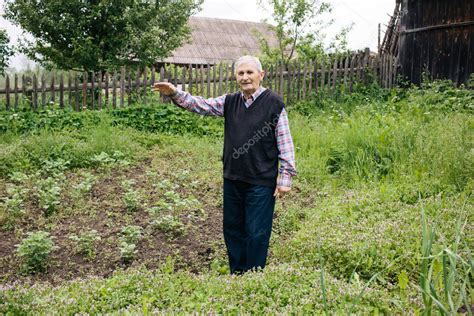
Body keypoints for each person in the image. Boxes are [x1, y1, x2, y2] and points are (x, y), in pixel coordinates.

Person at [153, 55, 296, 274]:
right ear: (236, 77)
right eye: (241, 73)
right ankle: (237, 274)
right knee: (233, 229)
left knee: (257, 232)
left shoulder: (273, 104)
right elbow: (201, 105)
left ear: (261, 75)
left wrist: (285, 177)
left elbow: (284, 142)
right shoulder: (230, 102)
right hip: (233, 178)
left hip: (261, 181)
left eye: (250, 72)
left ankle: (254, 275)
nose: (245, 77)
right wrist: (174, 92)